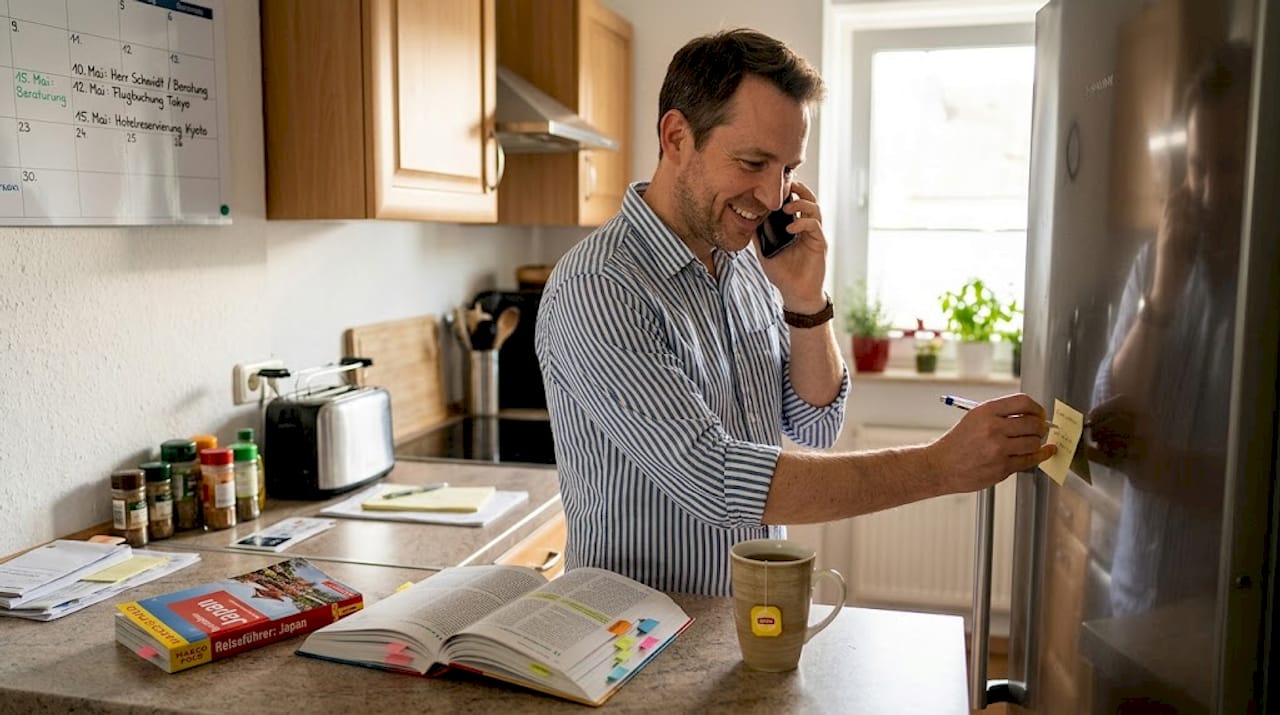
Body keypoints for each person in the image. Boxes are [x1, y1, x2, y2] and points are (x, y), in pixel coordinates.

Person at [535, 28, 1054, 595]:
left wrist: (806, 300)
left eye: (787, 168)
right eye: (753, 161)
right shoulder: (600, 286)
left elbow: (815, 423)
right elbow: (716, 478)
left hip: (746, 618)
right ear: (677, 137)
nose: (773, 195)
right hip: (633, 639)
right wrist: (938, 467)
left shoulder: (747, 263)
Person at [1089, 42, 1252, 615]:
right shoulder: (1156, 261)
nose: (1207, 190)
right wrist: (1162, 293)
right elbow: (1108, 406)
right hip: (1135, 594)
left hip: (1215, 621)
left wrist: (1165, 469)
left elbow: (1255, 483)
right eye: (1198, 166)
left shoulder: (1264, 294)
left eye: (1228, 167)